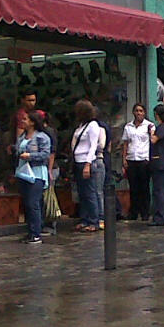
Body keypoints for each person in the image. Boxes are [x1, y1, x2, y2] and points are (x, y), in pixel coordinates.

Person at [16, 110, 51, 243]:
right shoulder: (22, 137)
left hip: (36, 172)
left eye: (25, 119)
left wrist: (30, 156)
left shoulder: (42, 137)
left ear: (32, 122)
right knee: (27, 203)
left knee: (33, 202)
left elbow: (45, 154)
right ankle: (30, 231)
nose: (23, 121)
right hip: (24, 172)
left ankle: (36, 232)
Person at [71, 99, 103, 232]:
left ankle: (94, 220)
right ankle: (84, 219)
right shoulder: (81, 126)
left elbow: (93, 146)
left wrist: (88, 164)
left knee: (90, 192)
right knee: (82, 193)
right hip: (78, 160)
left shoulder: (93, 126)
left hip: (86, 161)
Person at [121, 103, 153, 221]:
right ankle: (133, 212)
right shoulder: (128, 126)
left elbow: (152, 142)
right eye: (136, 111)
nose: (139, 113)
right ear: (133, 112)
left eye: (141, 111)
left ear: (144, 113)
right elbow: (125, 144)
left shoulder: (149, 126)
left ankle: (145, 212)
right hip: (131, 159)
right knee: (133, 188)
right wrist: (124, 159)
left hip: (143, 159)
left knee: (144, 187)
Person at [148, 104, 164, 226]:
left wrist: (151, 132)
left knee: (159, 190)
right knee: (163, 190)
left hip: (160, 162)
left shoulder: (162, 127)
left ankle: (160, 216)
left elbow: (154, 140)